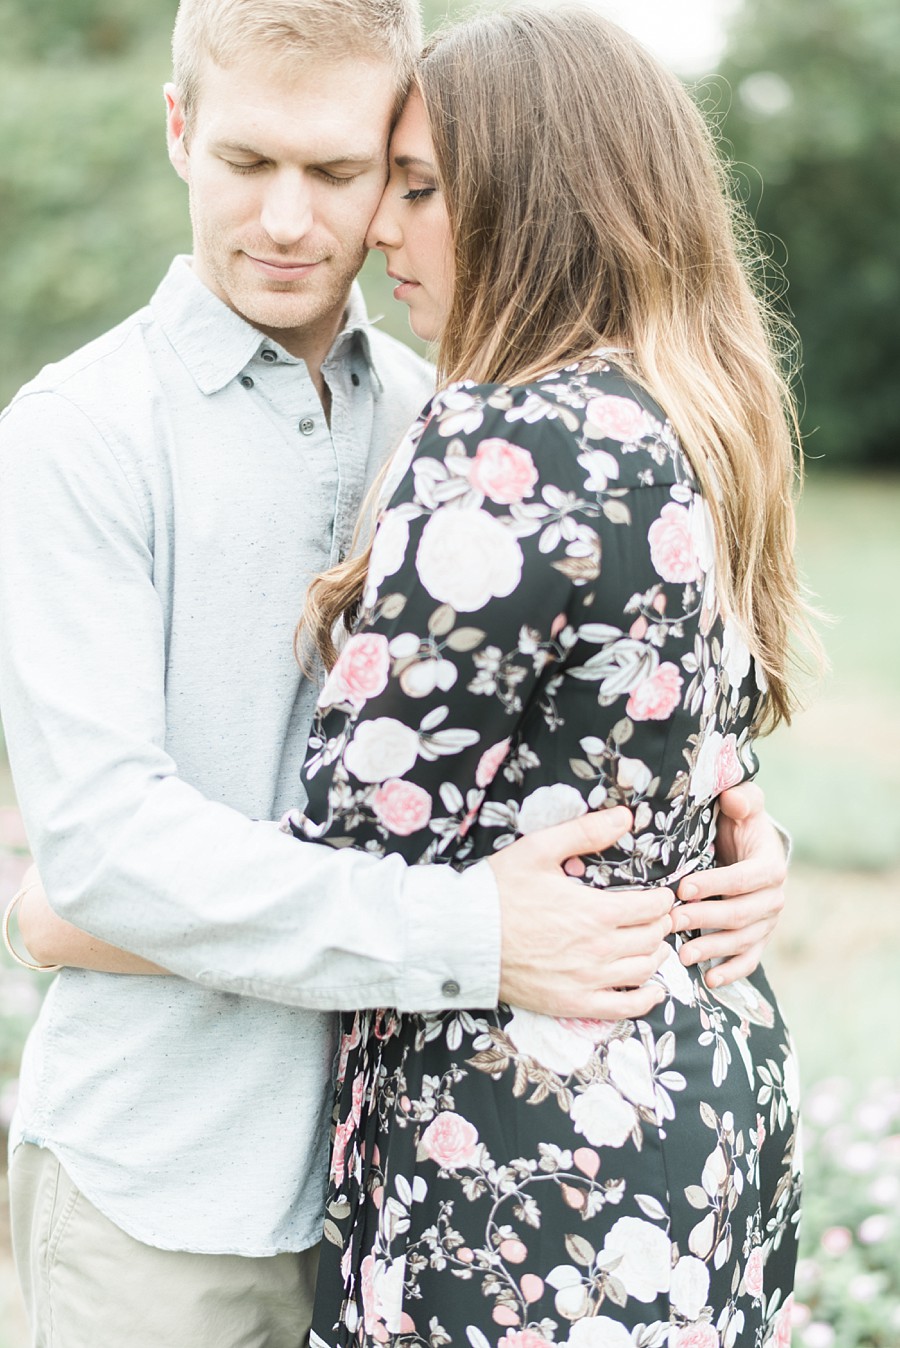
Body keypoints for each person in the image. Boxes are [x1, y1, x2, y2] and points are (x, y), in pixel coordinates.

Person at [0, 0, 790, 1344]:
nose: (295, 222)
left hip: (419, 1191)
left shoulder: (457, 422)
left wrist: (721, 860)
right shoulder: (79, 436)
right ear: (181, 132)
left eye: (345, 171)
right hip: (168, 1192)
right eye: (250, 165)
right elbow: (99, 859)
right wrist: (475, 937)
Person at [275, 7, 812, 1345]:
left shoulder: (511, 444)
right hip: (697, 1097)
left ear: (534, 196)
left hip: (530, 1152)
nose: (378, 233)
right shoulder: (686, 416)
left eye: (420, 189)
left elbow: (349, 841)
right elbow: (693, 757)